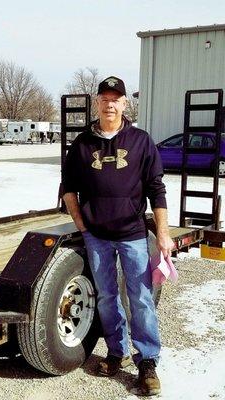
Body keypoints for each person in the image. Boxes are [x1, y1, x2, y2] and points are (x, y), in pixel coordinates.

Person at [62, 76, 175, 396]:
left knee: (139, 298)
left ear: (125, 104)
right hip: (96, 236)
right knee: (107, 297)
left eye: (117, 99)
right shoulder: (82, 144)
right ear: (97, 103)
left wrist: (163, 234)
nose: (110, 104)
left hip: (133, 235)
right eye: (105, 98)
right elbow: (69, 188)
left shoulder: (141, 141)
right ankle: (117, 353)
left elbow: (157, 189)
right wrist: (82, 225)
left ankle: (148, 362)